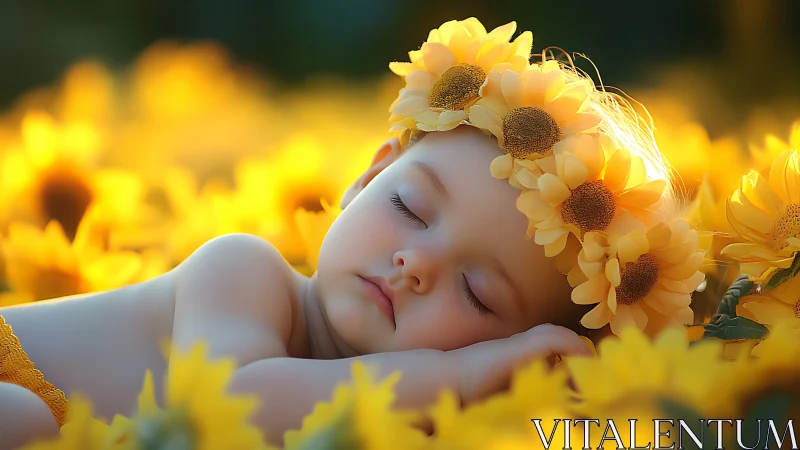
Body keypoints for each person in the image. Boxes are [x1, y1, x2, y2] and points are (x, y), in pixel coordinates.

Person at [0, 17, 704, 448]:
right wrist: (459, 374)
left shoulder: (402, 415)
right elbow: (232, 404)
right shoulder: (243, 274)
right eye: (409, 208)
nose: (415, 262)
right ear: (367, 179)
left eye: (477, 291)